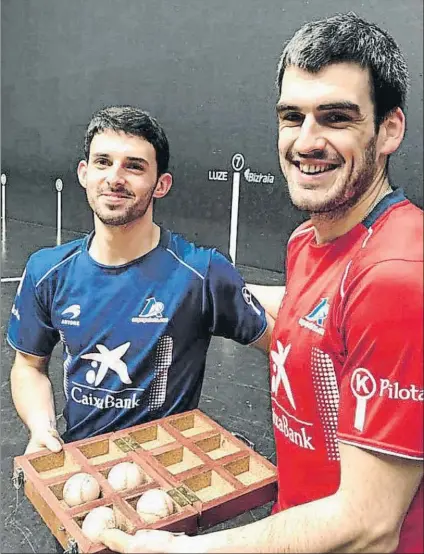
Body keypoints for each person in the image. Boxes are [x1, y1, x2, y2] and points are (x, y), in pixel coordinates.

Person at [101, 12, 423, 554]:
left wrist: (181, 552)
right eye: (292, 116)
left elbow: (368, 528)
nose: (307, 140)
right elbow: (316, 317)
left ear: (389, 128)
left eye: (336, 117)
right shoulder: (308, 241)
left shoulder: (395, 278)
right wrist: (192, 290)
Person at [7, 106, 273, 456]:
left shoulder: (200, 272)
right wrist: (42, 427)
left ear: (161, 184)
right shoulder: (47, 271)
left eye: (134, 166)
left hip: (169, 475)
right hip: (81, 467)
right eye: (103, 162)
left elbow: (283, 344)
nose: (115, 178)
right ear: (84, 173)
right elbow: (28, 366)